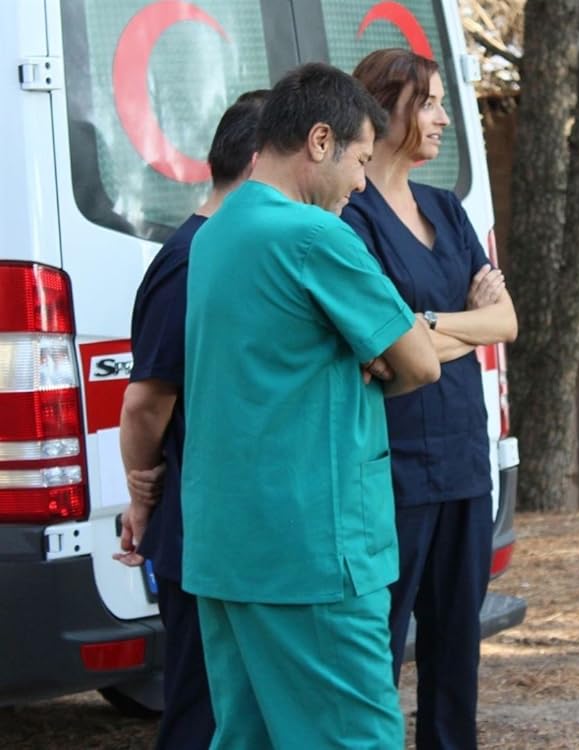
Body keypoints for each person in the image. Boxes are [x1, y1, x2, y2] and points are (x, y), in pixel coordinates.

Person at [180, 62, 440, 748]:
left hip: (227, 547)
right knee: (357, 737)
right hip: (313, 550)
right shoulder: (314, 235)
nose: (361, 184)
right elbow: (421, 361)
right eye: (360, 161)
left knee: (250, 737)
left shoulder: (213, 233)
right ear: (320, 141)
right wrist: (373, 362)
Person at [343, 48, 517, 750]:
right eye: (432, 103)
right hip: (392, 470)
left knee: (456, 650)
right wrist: (458, 326)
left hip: (463, 462)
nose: (445, 118)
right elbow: (381, 349)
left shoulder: (446, 207)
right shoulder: (351, 217)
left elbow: (505, 322)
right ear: (386, 110)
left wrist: (427, 327)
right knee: (377, 650)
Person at [116, 89, 268, 750]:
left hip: (232, 531)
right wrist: (142, 490)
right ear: (261, 162)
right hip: (196, 532)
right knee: (200, 714)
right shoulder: (190, 259)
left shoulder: (233, 250)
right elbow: (146, 402)